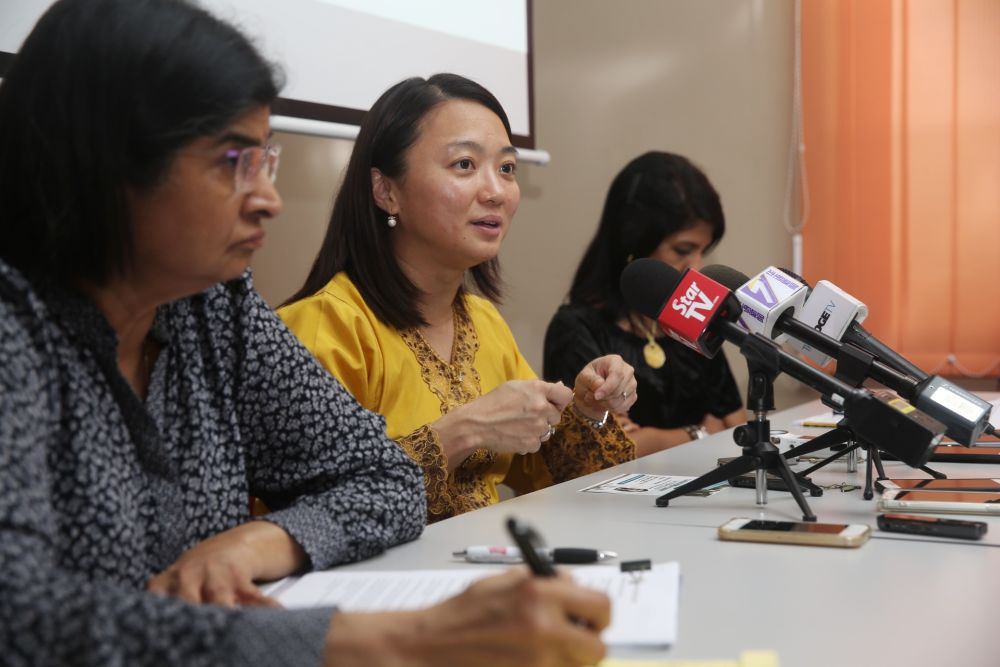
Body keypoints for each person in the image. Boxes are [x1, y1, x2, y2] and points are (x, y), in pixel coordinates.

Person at [0, 2, 610, 666]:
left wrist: (256, 541)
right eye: (232, 160)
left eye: (267, 161)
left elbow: (384, 476)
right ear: (104, 159)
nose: (269, 198)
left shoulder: (215, 308)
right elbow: (20, 615)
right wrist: (398, 639)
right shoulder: (15, 326)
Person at [279, 74, 638, 522]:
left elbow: (553, 474)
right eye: (465, 165)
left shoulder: (482, 321)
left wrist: (586, 409)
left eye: (507, 168)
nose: (496, 191)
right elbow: (306, 512)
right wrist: (463, 431)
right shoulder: (324, 327)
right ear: (386, 191)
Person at [544, 152, 745, 455]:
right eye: (683, 250)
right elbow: (612, 451)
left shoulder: (694, 316)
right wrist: (702, 430)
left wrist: (656, 438)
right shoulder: (577, 329)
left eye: (704, 250)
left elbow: (737, 427)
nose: (695, 267)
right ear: (634, 242)